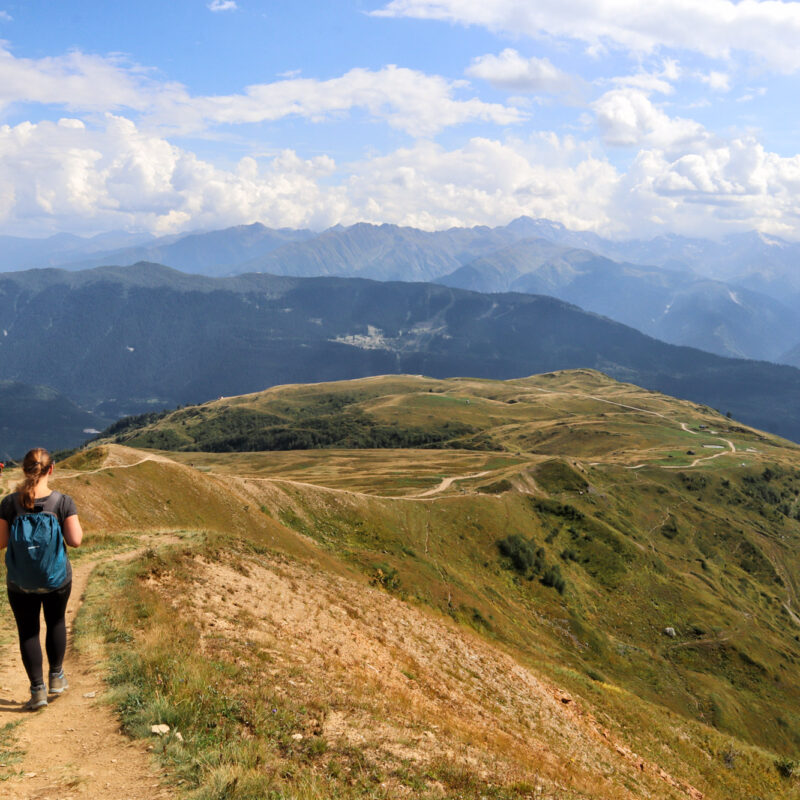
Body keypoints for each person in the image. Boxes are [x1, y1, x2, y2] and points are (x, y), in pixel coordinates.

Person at [0, 448, 83, 710]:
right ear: (51, 469)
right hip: (56, 580)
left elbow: (1, 542)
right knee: (56, 621)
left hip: (20, 582)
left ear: (24, 470)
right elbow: (76, 540)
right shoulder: (62, 502)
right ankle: (56, 677)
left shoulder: (9, 504)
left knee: (28, 631)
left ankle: (37, 691)